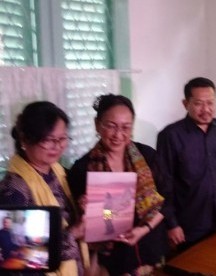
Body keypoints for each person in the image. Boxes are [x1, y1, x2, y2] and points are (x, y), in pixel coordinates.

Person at [67, 94, 168, 275]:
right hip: (112, 258)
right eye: (111, 126)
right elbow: (81, 225)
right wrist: (86, 209)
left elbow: (167, 200)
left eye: (125, 127)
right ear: (97, 124)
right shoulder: (82, 169)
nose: (118, 135)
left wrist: (143, 230)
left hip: (149, 248)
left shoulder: (148, 156)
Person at [156, 77, 216, 249]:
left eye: (210, 103)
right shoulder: (170, 136)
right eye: (198, 104)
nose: (206, 109)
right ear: (185, 103)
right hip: (190, 224)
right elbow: (163, 185)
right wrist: (172, 224)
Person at [0, 101, 87, 275]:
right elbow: (17, 257)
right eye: (48, 140)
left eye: (62, 138)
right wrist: (73, 234)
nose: (57, 146)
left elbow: (107, 214)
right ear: (25, 139)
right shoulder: (14, 190)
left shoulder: (58, 172)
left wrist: (83, 207)